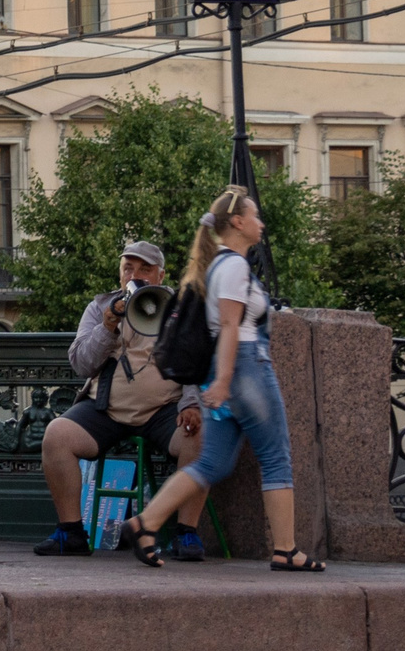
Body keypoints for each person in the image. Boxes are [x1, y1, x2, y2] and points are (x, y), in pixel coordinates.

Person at [135, 188, 319, 571]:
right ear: (237, 222)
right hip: (245, 369)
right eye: (255, 215)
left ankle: (146, 523)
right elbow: (232, 326)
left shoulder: (215, 265)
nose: (260, 223)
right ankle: (285, 550)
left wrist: (217, 383)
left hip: (221, 376)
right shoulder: (234, 266)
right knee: (276, 457)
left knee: (212, 464)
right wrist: (225, 380)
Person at [34, 238, 207, 558]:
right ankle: (71, 532)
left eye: (145, 269)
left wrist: (191, 402)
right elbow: (81, 364)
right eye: (128, 267)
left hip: (164, 410)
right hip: (105, 409)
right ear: (119, 273)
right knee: (56, 436)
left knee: (202, 436)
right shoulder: (99, 307)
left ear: (161, 276)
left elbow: (197, 360)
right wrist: (108, 325)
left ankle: (186, 534)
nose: (135, 274)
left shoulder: (180, 309)